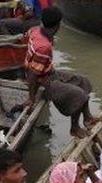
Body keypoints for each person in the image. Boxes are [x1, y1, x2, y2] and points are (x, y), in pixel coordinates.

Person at [24, 7, 97, 139]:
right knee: (78, 94)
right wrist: (31, 97)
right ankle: (74, 128)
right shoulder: (44, 47)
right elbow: (33, 74)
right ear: (58, 25)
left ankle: (87, 117)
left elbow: (27, 37)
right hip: (42, 81)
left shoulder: (35, 30)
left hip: (48, 73)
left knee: (83, 81)